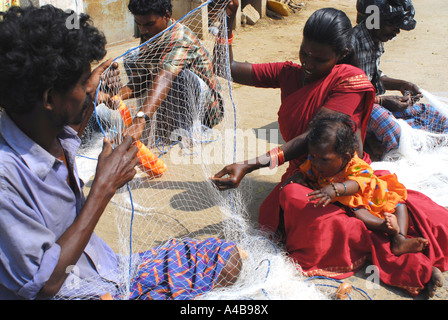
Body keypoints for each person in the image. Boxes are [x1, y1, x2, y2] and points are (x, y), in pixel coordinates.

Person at [0, 5, 241, 300]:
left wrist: (96, 94)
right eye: (81, 84)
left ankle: (192, 130)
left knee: (226, 258)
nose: (89, 90)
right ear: (50, 98)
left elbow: (159, 81)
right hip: (80, 292)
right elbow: (45, 285)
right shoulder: (6, 179)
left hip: (111, 270)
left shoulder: (48, 132)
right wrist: (103, 188)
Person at [212, 1, 448, 297]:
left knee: (372, 207)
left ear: (341, 56)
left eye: (319, 59)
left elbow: (314, 136)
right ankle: (388, 240)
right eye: (304, 53)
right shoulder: (289, 73)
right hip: (310, 171)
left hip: (344, 169)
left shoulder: (348, 81)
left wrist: (249, 165)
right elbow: (226, 68)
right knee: (297, 201)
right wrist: (224, 22)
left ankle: (403, 257)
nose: (308, 64)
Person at [296, 113, 429, 256]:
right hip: (352, 202)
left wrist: (337, 188)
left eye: (324, 159)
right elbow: (304, 172)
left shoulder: (356, 165)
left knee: (399, 204)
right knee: (356, 210)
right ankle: (383, 226)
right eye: (313, 157)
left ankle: (400, 239)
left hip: (370, 193)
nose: (316, 163)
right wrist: (298, 178)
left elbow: (358, 183)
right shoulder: (315, 162)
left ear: (345, 157)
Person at [105, 0, 224, 146]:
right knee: (131, 58)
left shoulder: (180, 37)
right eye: (139, 24)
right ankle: (159, 124)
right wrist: (116, 97)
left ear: (167, 16)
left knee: (180, 76)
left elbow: (165, 77)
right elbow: (140, 79)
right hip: (172, 96)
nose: (143, 30)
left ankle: (188, 132)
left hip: (205, 106)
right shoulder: (149, 35)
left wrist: (140, 119)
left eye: (149, 24)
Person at [354, 0, 448, 159]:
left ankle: (381, 140)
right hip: (358, 111)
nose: (396, 32)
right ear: (374, 19)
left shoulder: (375, 40)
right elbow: (347, 94)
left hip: (372, 104)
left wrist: (402, 84)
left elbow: (373, 75)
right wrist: (383, 101)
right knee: (386, 122)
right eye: (393, 26)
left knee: (433, 115)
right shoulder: (351, 45)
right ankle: (377, 142)